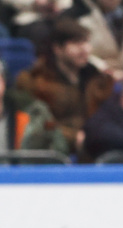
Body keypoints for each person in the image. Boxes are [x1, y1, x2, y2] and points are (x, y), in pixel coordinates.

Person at [15, 17, 115, 156]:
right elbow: (37, 125)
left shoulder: (99, 80)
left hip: (95, 151)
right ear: (57, 48)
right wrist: (74, 138)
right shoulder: (34, 81)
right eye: (76, 43)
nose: (84, 49)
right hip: (52, 153)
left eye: (86, 42)